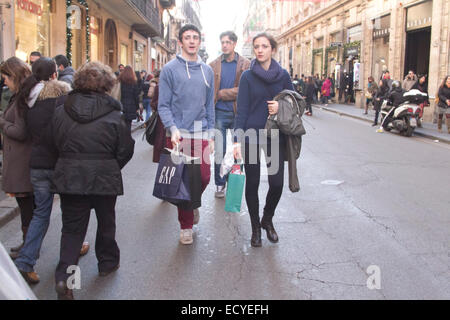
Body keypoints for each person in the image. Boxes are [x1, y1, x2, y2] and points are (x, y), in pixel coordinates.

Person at [50, 61, 135, 300]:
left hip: (70, 176)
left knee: (72, 229)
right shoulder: (114, 113)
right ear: (107, 85)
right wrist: (111, 166)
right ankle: (107, 262)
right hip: (104, 176)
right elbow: (125, 148)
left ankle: (64, 279)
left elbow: (52, 142)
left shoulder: (61, 109)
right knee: (106, 221)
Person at [12, 57, 79, 285]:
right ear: (54, 75)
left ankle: (26, 261)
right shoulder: (63, 100)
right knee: (71, 214)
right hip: (61, 164)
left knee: (41, 214)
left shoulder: (27, 100)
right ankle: (73, 252)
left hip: (37, 164)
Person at [233, 32, 294, 248]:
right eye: (256, 46)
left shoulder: (283, 75)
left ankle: (267, 218)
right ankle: (255, 228)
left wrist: (281, 107)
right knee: (252, 183)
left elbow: (295, 102)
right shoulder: (248, 77)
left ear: (273, 50)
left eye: (264, 46)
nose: (260, 50)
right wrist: (236, 140)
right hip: (251, 134)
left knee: (276, 184)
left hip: (275, 133)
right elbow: (241, 111)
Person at [158, 24, 215, 245]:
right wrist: (172, 129)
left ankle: (193, 203)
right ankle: (186, 226)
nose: (192, 41)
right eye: (187, 38)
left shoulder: (207, 71)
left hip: (201, 134)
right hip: (179, 135)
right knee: (183, 181)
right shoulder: (170, 70)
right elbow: (163, 105)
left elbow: (210, 105)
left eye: (195, 37)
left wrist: (211, 133)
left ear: (200, 41)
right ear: (180, 42)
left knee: (203, 177)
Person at [0, 58, 34, 262]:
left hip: (22, 161)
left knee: (27, 205)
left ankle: (28, 247)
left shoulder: (22, 99)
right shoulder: (18, 96)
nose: (4, 82)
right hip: (19, 159)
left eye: (5, 78)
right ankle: (27, 243)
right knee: (25, 206)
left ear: (14, 76)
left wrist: (2, 122)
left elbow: (21, 131)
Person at [209, 30, 250, 199]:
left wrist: (221, 93)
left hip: (237, 114)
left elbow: (244, 90)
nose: (224, 45)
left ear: (234, 44)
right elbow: (210, 90)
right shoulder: (213, 65)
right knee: (219, 151)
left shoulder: (245, 64)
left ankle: (232, 182)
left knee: (236, 151)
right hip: (219, 113)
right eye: (222, 42)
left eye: (227, 42)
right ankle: (219, 184)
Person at [149, 70, 166, 163]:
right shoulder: (159, 87)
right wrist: (162, 103)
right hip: (161, 122)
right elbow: (153, 104)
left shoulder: (178, 88)